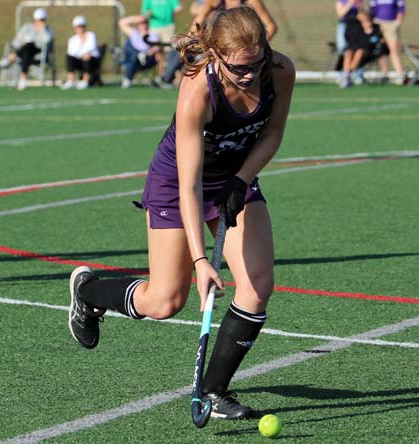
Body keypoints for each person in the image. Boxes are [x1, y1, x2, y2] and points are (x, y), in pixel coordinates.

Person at [68, 5, 294, 419]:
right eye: (238, 68)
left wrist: (241, 179)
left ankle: (214, 392)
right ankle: (88, 292)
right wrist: (201, 261)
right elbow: (189, 185)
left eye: (255, 64)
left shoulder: (278, 71)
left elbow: (273, 132)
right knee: (165, 301)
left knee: (257, 284)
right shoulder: (197, 90)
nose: (249, 75)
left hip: (234, 174)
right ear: (217, 54)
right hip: (177, 184)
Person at [0, 8, 54, 91]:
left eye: (42, 20)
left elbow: (47, 40)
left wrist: (42, 29)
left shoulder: (48, 30)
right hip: (25, 52)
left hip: (39, 52)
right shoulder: (27, 28)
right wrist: (23, 42)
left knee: (29, 45)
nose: (40, 22)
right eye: (39, 20)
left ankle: (11, 58)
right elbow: (16, 42)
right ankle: (23, 79)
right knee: (27, 49)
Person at [340, 9, 389, 87]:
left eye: (367, 21)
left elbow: (380, 42)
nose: (366, 24)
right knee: (348, 53)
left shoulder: (376, 30)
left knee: (359, 52)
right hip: (356, 51)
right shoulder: (357, 29)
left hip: (369, 54)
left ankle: (347, 73)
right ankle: (346, 76)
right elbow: (353, 42)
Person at [141, 0, 182, 83]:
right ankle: (160, 77)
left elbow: (178, 8)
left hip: (168, 26)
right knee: (158, 53)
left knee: (171, 53)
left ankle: (177, 78)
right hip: (154, 27)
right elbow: (144, 12)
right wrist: (148, 14)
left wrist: (173, 11)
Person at [194, 0, 278, 41]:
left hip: (246, 44)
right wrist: (190, 38)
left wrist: (260, 46)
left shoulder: (252, 1)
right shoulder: (215, 1)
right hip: (219, 44)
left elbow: (271, 26)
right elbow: (199, 20)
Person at [118, 15, 161, 88]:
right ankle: (128, 79)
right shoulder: (134, 33)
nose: (143, 25)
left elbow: (157, 47)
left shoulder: (152, 34)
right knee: (134, 57)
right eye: (140, 23)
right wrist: (136, 18)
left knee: (158, 56)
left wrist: (147, 53)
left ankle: (159, 78)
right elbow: (121, 23)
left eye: (144, 23)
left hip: (147, 58)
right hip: (133, 57)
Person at [370, 0, 406, 84]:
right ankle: (384, 74)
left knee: (394, 50)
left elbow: (401, 9)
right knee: (381, 50)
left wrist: (397, 22)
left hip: (391, 24)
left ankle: (400, 75)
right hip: (378, 24)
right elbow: (372, 10)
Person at [62, 15, 101, 90]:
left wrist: (84, 53)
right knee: (69, 57)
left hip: (92, 61)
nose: (80, 28)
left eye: (82, 26)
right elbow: (72, 52)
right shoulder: (72, 39)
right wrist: (81, 54)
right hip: (79, 60)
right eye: (78, 27)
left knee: (86, 56)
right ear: (75, 28)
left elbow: (91, 47)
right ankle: (71, 81)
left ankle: (85, 81)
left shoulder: (91, 35)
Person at [334, 0, 363, 82]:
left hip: (357, 26)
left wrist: (359, 7)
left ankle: (357, 74)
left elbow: (363, 12)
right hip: (344, 25)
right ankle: (342, 75)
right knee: (343, 49)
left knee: (358, 50)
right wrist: (350, 2)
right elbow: (340, 14)